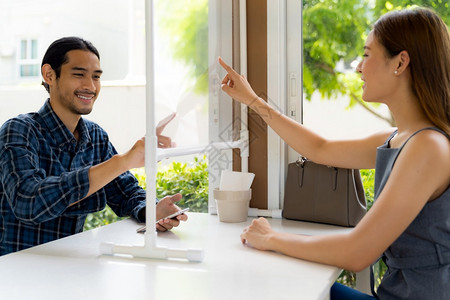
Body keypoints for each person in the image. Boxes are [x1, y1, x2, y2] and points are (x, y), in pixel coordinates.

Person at [219, 7, 449, 300]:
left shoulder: (428, 148)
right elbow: (320, 149)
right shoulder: (400, 138)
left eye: (367, 55)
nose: (358, 67)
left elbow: (358, 253)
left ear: (400, 62)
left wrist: (272, 238)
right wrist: (252, 100)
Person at [0, 37, 187, 256]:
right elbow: (28, 202)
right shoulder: (18, 130)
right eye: (79, 74)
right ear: (49, 75)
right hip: (16, 271)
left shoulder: (95, 136)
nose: (90, 86)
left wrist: (152, 210)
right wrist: (122, 161)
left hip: (72, 266)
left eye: (96, 77)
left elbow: (125, 193)